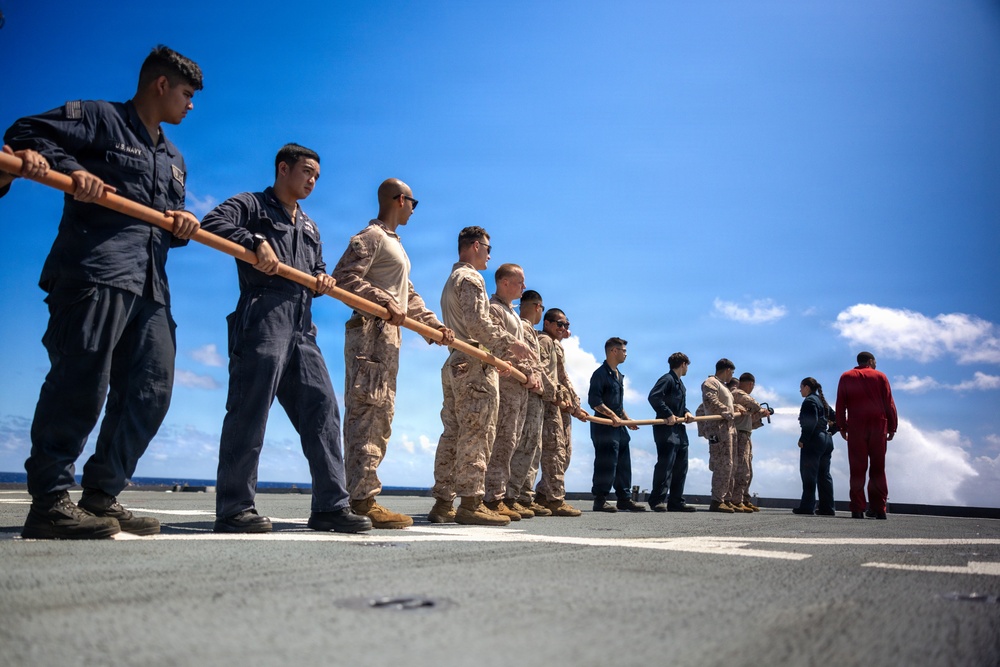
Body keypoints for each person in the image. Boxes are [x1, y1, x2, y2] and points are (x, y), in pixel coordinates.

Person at [5, 45, 203, 539]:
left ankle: (101, 495)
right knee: (82, 379)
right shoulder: (99, 118)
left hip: (152, 285)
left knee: (151, 389)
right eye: (186, 94)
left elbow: (166, 222)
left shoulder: (174, 157)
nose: (191, 105)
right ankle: (50, 501)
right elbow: (25, 133)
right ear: (161, 85)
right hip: (96, 271)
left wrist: (183, 224)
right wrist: (71, 169)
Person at [200, 144, 370, 534]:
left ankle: (330, 506)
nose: (312, 180)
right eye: (307, 171)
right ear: (283, 168)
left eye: (317, 176)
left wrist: (324, 278)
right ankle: (234, 508)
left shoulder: (309, 226)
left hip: (302, 323)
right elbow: (212, 222)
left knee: (323, 409)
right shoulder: (252, 205)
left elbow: (319, 267)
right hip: (263, 314)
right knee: (250, 410)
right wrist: (253, 242)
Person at [331, 179, 454, 529]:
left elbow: (407, 296)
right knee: (367, 414)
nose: (414, 209)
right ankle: (361, 499)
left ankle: (362, 495)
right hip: (370, 334)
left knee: (380, 416)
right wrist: (383, 301)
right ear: (401, 200)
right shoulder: (371, 237)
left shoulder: (395, 244)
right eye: (414, 202)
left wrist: (433, 326)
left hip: (389, 337)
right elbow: (342, 278)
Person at [429, 227, 532, 526]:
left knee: (453, 433)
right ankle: (472, 503)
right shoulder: (471, 277)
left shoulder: (452, 279)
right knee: (477, 433)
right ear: (476, 246)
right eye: (488, 248)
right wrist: (508, 344)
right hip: (474, 363)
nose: (489, 254)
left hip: (455, 362)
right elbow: (478, 323)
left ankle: (443, 502)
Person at [483, 264, 541, 520]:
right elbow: (496, 345)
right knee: (501, 441)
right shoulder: (494, 310)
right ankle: (492, 497)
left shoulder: (513, 315)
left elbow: (526, 353)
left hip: (519, 388)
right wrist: (525, 371)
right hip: (505, 384)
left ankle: (501, 495)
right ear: (505, 282)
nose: (523, 287)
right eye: (520, 282)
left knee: (511, 442)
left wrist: (532, 374)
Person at [534, 309, 587, 516]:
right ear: (547, 323)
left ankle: (543, 494)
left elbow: (563, 377)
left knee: (564, 453)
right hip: (550, 404)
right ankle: (554, 499)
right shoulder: (545, 341)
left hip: (562, 405)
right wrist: (559, 398)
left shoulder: (556, 345)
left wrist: (574, 403)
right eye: (560, 324)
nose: (564, 329)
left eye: (567, 325)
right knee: (555, 452)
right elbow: (545, 373)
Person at [836, 351, 898, 520]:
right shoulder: (881, 377)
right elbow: (889, 403)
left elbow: (840, 403)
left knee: (857, 468)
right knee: (878, 469)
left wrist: (841, 426)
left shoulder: (846, 376)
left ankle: (857, 508)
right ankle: (879, 509)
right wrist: (893, 427)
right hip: (878, 425)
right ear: (870, 361)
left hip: (856, 425)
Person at [506, 290, 552, 516]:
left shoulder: (530, 331)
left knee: (530, 446)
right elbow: (526, 361)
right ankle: (509, 495)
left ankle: (519, 495)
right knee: (522, 445)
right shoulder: (523, 328)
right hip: (526, 392)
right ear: (537, 307)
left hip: (534, 394)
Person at [588, 337, 645, 512]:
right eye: (624, 350)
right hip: (604, 427)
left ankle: (624, 498)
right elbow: (594, 401)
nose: (626, 354)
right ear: (614, 351)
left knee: (623, 463)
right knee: (606, 462)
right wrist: (613, 416)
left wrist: (627, 421)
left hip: (618, 427)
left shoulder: (619, 375)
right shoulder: (600, 374)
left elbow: (618, 406)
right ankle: (600, 499)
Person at [646, 352, 697, 512]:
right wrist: (668, 414)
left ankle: (676, 500)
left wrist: (686, 412)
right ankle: (657, 500)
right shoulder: (667, 379)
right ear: (683, 364)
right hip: (665, 428)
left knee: (681, 466)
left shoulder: (681, 384)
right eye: (687, 365)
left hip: (679, 429)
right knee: (665, 464)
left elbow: (679, 406)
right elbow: (654, 397)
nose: (687, 368)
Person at [699, 358, 744, 513]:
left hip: (728, 429)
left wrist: (735, 406)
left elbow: (725, 404)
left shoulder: (723, 386)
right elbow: (709, 400)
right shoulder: (711, 382)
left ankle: (725, 498)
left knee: (731, 464)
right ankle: (717, 501)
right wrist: (725, 409)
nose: (731, 375)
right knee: (722, 464)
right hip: (718, 429)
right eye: (731, 372)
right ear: (726, 370)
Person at [794, 377, 836, 516]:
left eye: (801, 387)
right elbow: (838, 418)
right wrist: (831, 431)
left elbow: (811, 422)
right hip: (826, 440)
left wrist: (803, 439)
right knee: (824, 475)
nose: (800, 390)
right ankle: (827, 508)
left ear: (806, 387)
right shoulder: (822, 401)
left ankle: (807, 507)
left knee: (809, 475)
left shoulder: (809, 401)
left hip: (813, 441)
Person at [729, 373, 770, 512]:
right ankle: (736, 499)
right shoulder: (738, 393)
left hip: (745, 434)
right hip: (740, 435)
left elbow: (749, 419)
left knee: (747, 470)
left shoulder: (738, 397)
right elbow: (754, 404)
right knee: (741, 469)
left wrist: (761, 414)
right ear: (751, 384)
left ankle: (744, 498)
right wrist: (761, 410)